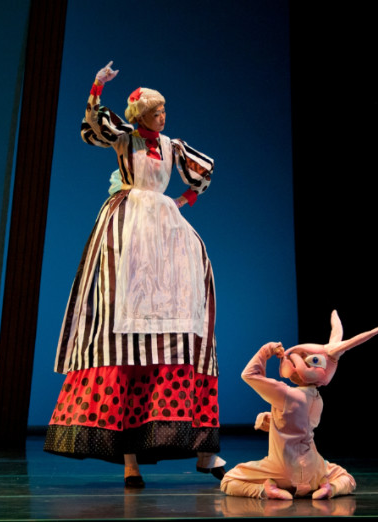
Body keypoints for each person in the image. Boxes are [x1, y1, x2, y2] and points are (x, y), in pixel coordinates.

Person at [44, 61, 224, 488]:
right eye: (156, 113)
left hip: (166, 230)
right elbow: (95, 124)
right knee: (122, 327)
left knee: (187, 322)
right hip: (127, 226)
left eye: (163, 112)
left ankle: (204, 449)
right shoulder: (125, 140)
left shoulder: (172, 145)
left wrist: (181, 202)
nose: (162, 118)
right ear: (141, 116)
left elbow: (203, 174)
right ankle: (130, 461)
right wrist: (96, 87)